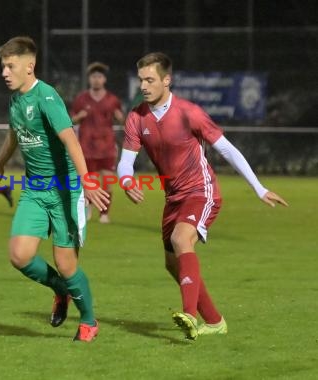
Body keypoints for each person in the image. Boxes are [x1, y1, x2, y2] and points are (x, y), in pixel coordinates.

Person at [118, 52, 288, 340]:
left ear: (166, 80)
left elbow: (227, 149)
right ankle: (214, 321)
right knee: (173, 263)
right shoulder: (137, 117)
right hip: (173, 197)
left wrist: (259, 188)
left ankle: (189, 315)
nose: (144, 86)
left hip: (201, 190)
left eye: (150, 80)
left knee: (181, 239)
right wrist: (125, 179)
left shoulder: (188, 112)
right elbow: (125, 160)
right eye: (141, 80)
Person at [0, 36, 110, 342]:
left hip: (65, 191)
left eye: (10, 66)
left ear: (29, 66)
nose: (5, 72)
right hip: (35, 189)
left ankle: (89, 321)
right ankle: (60, 291)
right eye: (3, 66)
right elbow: (15, 133)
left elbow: (71, 140)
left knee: (66, 265)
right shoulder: (16, 98)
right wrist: (1, 160)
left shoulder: (47, 97)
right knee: (19, 256)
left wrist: (87, 181)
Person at [71, 62, 124, 223]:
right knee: (89, 183)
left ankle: (104, 213)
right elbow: (71, 119)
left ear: (104, 79)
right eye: (93, 76)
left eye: (99, 77)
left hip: (107, 147)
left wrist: (122, 117)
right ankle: (88, 208)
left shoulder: (112, 100)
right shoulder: (81, 98)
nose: (96, 80)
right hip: (86, 147)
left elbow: (122, 118)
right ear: (89, 79)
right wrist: (79, 116)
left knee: (107, 181)